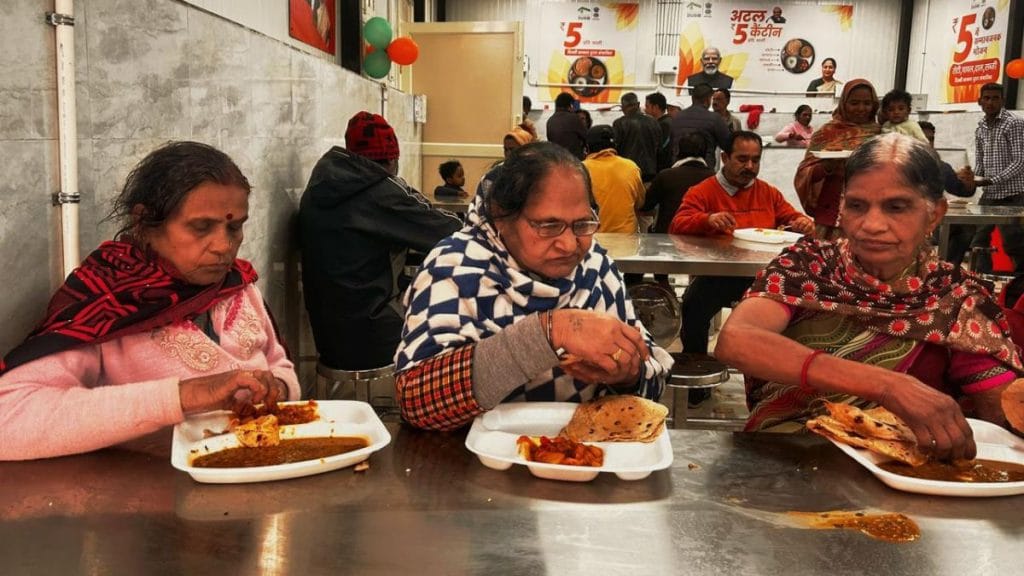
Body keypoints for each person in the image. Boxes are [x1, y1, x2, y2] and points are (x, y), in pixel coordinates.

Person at [716, 133, 1023, 462]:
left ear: (935, 214)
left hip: (904, 479)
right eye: (857, 206)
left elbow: (1004, 412)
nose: (872, 225)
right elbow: (737, 340)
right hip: (781, 459)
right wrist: (887, 386)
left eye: (896, 207)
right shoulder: (809, 264)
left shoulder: (954, 297)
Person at [0, 141, 300, 460]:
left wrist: (277, 388)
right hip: (147, 498)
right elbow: (8, 419)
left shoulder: (238, 286)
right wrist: (182, 397)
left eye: (235, 226)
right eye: (201, 227)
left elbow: (277, 361)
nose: (223, 245)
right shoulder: (106, 299)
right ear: (143, 221)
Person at [393, 142, 673, 431]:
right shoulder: (456, 267)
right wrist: (551, 332)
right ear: (502, 216)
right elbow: (415, 400)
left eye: (582, 224)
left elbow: (652, 382)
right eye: (548, 226)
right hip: (470, 463)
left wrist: (628, 374)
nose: (569, 244)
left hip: (582, 457)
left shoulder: (596, 268)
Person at [299, 111, 461, 372]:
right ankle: (431, 407)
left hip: (328, 336)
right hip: (372, 334)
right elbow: (450, 229)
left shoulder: (323, 183)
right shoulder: (378, 190)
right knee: (461, 310)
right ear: (392, 160)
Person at [670, 131, 814, 404]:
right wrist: (707, 219)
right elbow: (678, 223)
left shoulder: (767, 192)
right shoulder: (703, 191)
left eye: (755, 160)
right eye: (742, 159)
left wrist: (801, 221)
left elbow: (791, 215)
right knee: (692, 308)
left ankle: (769, 388)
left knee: (784, 321)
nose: (750, 167)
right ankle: (698, 382)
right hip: (719, 275)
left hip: (761, 278)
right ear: (724, 158)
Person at [795, 78, 881, 239]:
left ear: (874, 105)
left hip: (870, 217)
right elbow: (804, 174)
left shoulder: (882, 134)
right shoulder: (826, 133)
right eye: (854, 103)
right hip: (829, 217)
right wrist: (827, 166)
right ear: (843, 104)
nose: (861, 108)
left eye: (867, 103)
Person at [956, 83, 1024, 274]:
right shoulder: (981, 127)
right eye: (986, 98)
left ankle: (1019, 289)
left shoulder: (1014, 123)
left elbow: (1020, 162)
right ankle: (982, 283)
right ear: (980, 101)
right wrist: (971, 178)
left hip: (1014, 194)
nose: (990, 102)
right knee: (978, 241)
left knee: (1014, 244)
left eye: (995, 98)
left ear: (1003, 100)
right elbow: (981, 164)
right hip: (990, 193)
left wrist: (989, 180)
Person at [919, 121, 973, 268]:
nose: (927, 143)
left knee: (964, 228)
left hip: (932, 221)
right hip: (905, 220)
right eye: (922, 138)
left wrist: (969, 183)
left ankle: (949, 269)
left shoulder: (940, 167)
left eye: (930, 139)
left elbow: (961, 190)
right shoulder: (898, 166)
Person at [642, 132, 715, 235]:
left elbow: (646, 205)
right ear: (705, 152)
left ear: (678, 151)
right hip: (701, 238)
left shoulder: (666, 176)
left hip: (665, 237)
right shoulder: (713, 178)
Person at [582, 125, 645, 234]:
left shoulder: (579, 169)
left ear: (587, 147)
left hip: (593, 239)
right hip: (626, 239)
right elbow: (640, 203)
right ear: (615, 145)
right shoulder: (631, 167)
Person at [671, 83, 732, 170]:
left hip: (677, 167)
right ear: (708, 99)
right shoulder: (714, 118)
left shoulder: (677, 117)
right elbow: (727, 145)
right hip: (704, 169)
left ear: (692, 98)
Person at [612, 92, 662, 183]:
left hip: (628, 171)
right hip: (650, 171)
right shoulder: (653, 122)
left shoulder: (619, 123)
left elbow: (615, 149)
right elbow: (659, 148)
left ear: (623, 107)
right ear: (638, 104)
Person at [546, 92, 587, 160]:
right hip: (573, 160)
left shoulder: (550, 120)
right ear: (570, 105)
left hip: (556, 159)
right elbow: (586, 136)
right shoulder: (573, 118)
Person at [645, 92, 675, 172]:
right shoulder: (667, 122)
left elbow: (660, 149)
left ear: (655, 107)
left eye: (647, 106)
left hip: (662, 168)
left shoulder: (664, 124)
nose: (645, 110)